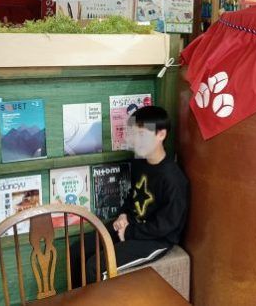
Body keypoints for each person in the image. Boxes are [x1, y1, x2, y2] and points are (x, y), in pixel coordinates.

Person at [71, 106, 188, 285]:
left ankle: (93, 298)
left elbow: (167, 225)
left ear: (161, 134)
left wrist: (130, 232)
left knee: (96, 266)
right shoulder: (140, 162)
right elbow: (132, 195)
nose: (135, 140)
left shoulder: (173, 179)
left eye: (141, 134)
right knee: (76, 250)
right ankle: (77, 297)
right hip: (131, 224)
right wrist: (123, 214)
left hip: (155, 240)